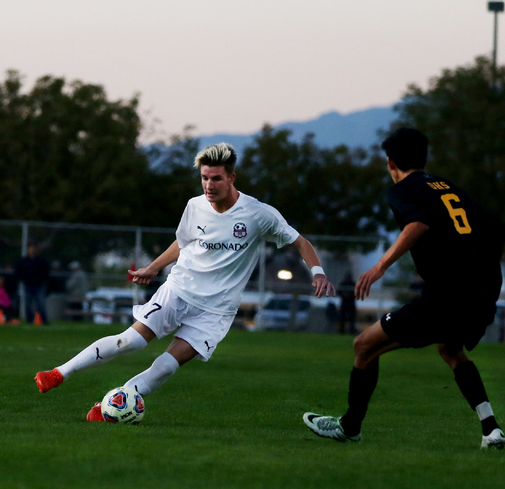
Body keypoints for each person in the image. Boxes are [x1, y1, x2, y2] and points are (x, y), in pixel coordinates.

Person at [35, 143, 336, 421]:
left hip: (216, 310)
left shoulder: (259, 214)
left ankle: (111, 406)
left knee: (166, 366)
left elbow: (301, 243)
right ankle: (59, 373)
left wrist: (318, 273)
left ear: (232, 177)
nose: (209, 185)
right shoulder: (195, 206)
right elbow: (182, 242)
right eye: (204, 178)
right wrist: (153, 268)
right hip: (178, 291)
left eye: (216, 178)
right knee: (130, 341)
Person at [303, 128, 505, 449]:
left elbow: (417, 224)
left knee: (363, 346)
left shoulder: (401, 190)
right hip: (483, 291)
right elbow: (496, 230)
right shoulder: (451, 187)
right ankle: (490, 428)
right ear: (424, 158)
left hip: (446, 295)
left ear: (390, 162)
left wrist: (379, 267)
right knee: (450, 349)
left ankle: (350, 426)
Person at [15, 243, 50, 324]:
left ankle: (44, 320)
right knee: (27, 305)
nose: (32, 250)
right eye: (30, 248)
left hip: (39, 285)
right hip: (27, 285)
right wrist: (23, 279)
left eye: (33, 248)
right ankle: (29, 320)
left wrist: (43, 281)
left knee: (41, 304)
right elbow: (18, 271)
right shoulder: (23, 261)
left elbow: (46, 272)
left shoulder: (41, 260)